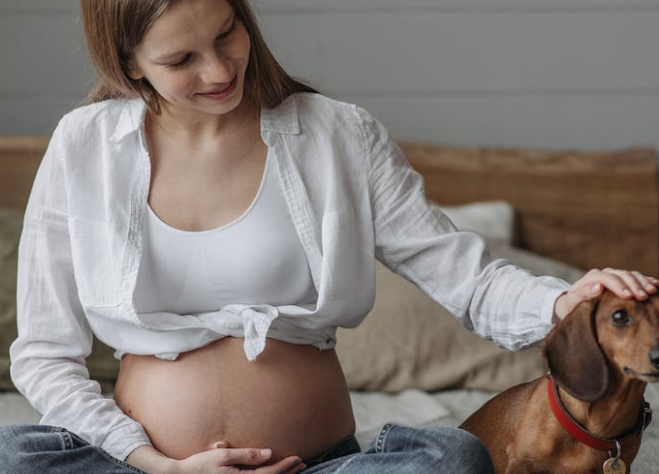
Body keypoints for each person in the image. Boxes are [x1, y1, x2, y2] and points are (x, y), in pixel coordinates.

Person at [1, 0, 656, 473]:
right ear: (130, 64)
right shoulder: (83, 147)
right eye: (181, 59)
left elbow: (465, 275)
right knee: (13, 452)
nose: (219, 68)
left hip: (318, 468)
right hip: (145, 471)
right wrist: (157, 465)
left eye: (227, 33)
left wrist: (566, 302)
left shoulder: (338, 135)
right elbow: (43, 354)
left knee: (452, 458)